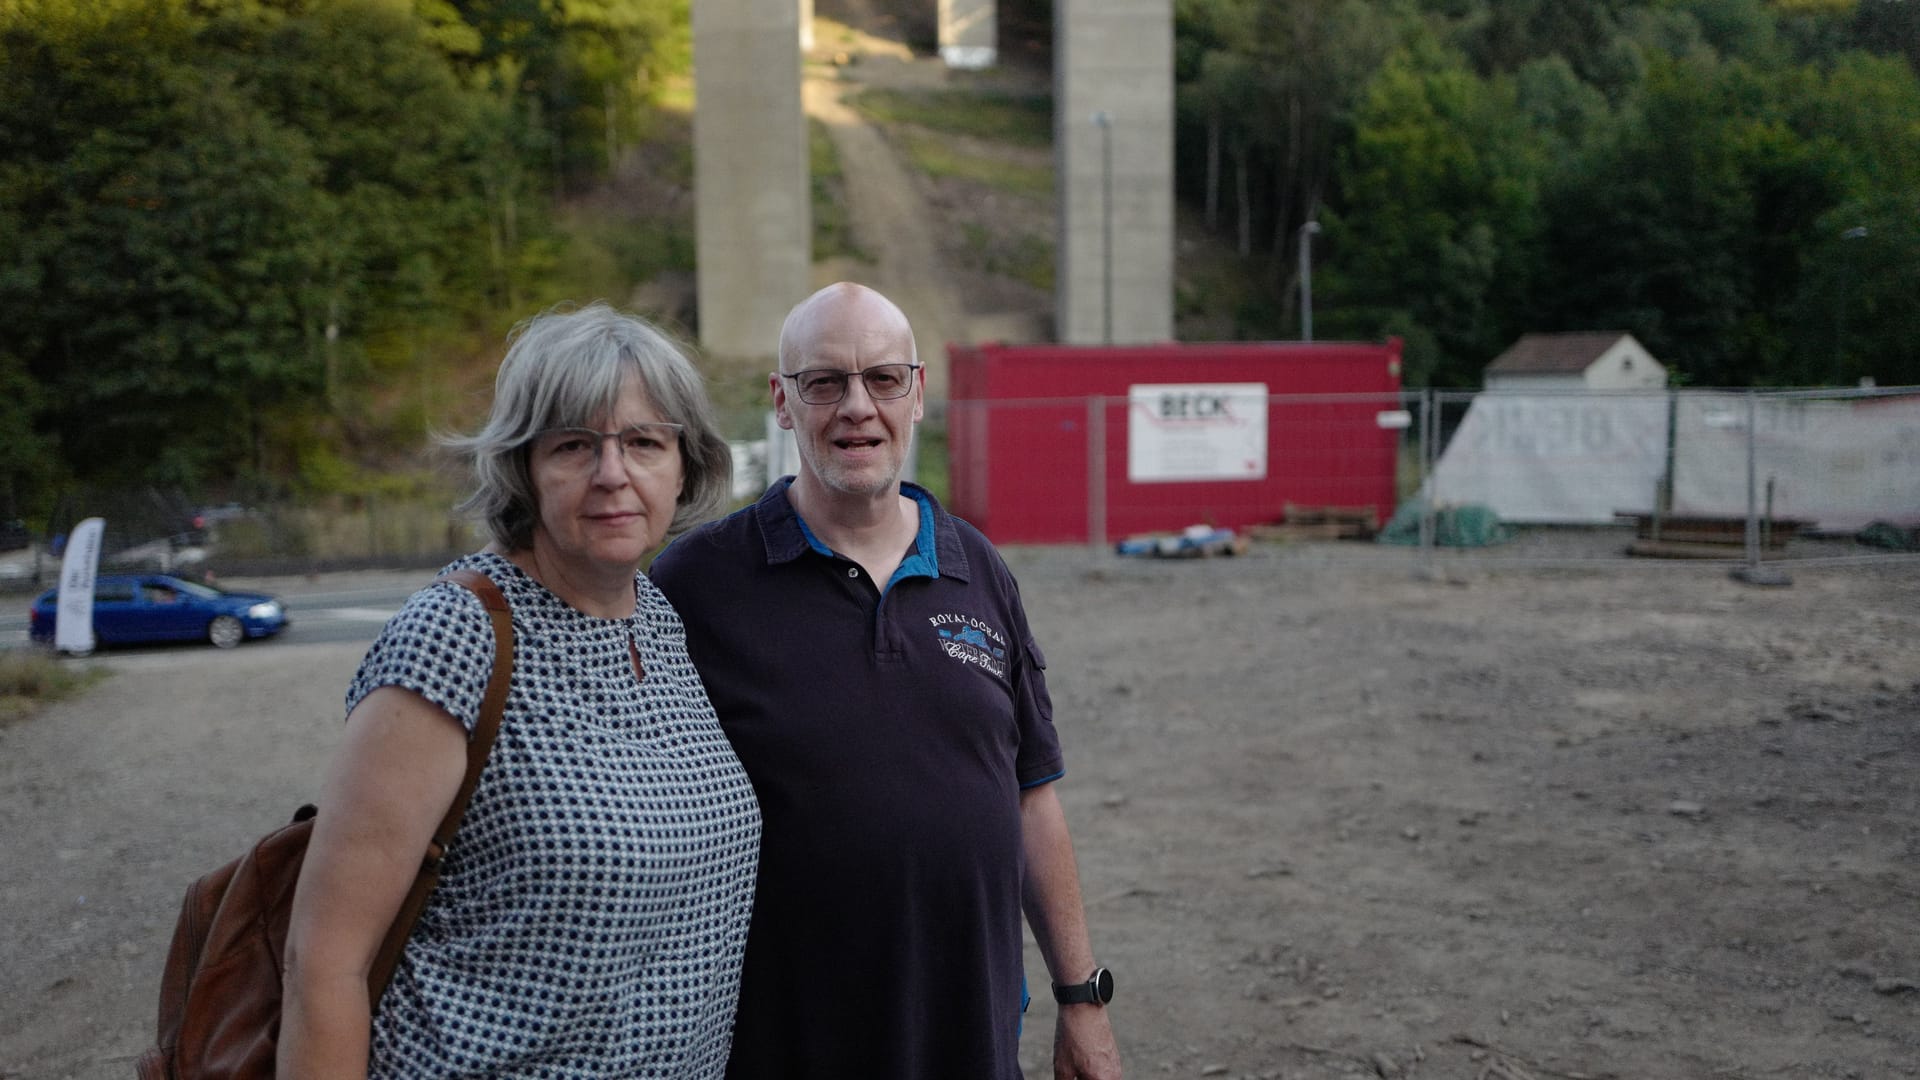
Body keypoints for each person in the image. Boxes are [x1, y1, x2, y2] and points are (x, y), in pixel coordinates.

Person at [650, 283, 1123, 1080]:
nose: (856, 407)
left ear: (918, 395)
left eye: (883, 379)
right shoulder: (697, 584)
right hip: (785, 1043)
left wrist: (1081, 998)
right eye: (824, 382)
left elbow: (1032, 796)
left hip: (969, 1036)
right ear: (782, 402)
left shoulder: (978, 568)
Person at [280, 303, 762, 1078]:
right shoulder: (457, 635)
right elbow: (323, 965)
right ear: (523, 467)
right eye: (574, 444)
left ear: (686, 465)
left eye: (643, 442)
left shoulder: (663, 621)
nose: (613, 474)